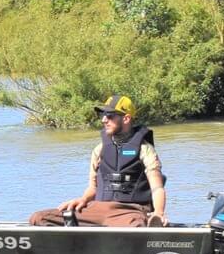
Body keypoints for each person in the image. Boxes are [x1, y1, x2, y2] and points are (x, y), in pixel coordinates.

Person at [26, 94, 168, 227]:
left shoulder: (145, 150)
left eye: (110, 116)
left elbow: (157, 188)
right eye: (103, 115)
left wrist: (158, 212)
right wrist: (83, 199)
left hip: (130, 211)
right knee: (39, 218)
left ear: (126, 119)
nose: (104, 120)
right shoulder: (99, 150)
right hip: (97, 209)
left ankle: (149, 228)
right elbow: (93, 187)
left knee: (135, 227)